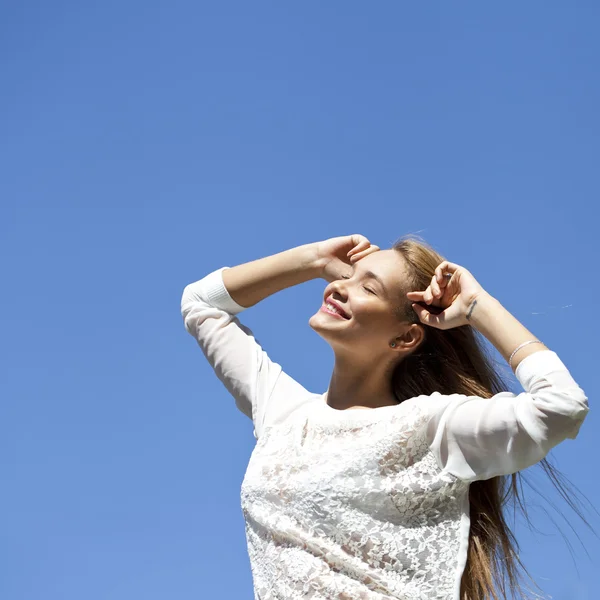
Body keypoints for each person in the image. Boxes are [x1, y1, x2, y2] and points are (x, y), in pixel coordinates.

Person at [180, 234, 590, 600]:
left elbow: (562, 407)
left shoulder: (430, 427)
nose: (339, 287)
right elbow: (200, 302)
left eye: (368, 288)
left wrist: (478, 306)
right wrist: (312, 259)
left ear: (405, 337)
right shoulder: (283, 412)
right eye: (345, 276)